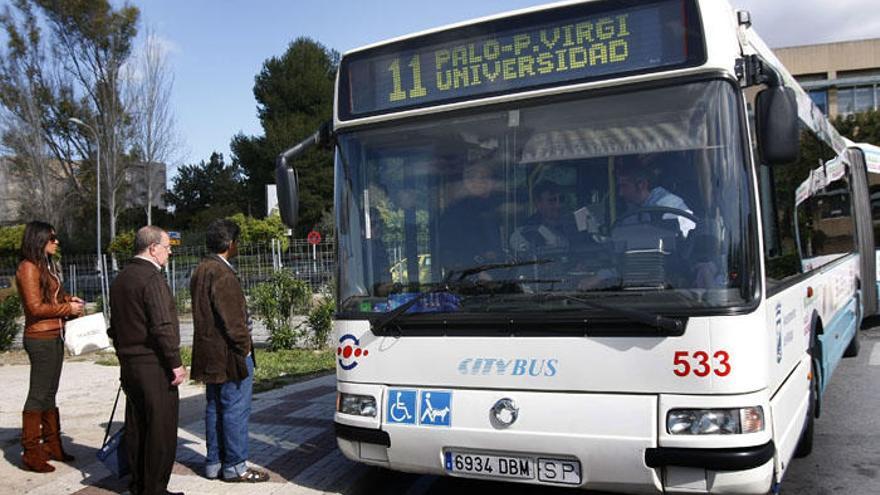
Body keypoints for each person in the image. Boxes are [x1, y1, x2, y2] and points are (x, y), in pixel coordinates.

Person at [190, 219, 269, 483]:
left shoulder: (201, 269)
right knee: (235, 409)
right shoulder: (222, 273)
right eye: (236, 241)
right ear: (229, 244)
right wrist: (244, 349)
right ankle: (235, 465)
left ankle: (214, 463)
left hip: (210, 354)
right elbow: (233, 320)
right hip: (229, 356)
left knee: (214, 408)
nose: (238, 246)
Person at [108, 226, 186, 495]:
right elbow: (162, 326)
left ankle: (138, 484)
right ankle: (154, 489)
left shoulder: (121, 278)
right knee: (160, 431)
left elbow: (114, 326)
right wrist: (175, 363)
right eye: (167, 247)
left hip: (130, 365)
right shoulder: (151, 278)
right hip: (154, 366)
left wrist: (123, 354)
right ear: (153, 248)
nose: (170, 251)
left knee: (138, 427)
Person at [15, 221, 84, 473]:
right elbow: (35, 308)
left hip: (54, 335)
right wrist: (67, 309)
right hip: (39, 338)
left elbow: (50, 299)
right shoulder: (29, 267)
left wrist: (68, 300)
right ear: (39, 239)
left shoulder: (45, 266)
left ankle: (53, 445)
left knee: (49, 393)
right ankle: (31, 451)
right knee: (38, 394)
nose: (56, 242)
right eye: (52, 238)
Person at [439, 161, 504, 274]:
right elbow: (449, 253)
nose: (479, 181)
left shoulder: (499, 207)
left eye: (485, 177)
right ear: (465, 182)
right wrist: (478, 272)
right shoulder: (454, 214)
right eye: (472, 177)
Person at [615, 159, 695, 237]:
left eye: (624, 186)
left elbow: (683, 237)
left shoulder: (670, 205)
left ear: (641, 185)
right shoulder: (631, 212)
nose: (620, 193)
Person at [509, 180, 574, 253]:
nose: (558, 205)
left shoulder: (573, 224)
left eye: (561, 199)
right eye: (552, 200)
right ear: (538, 203)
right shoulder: (526, 231)